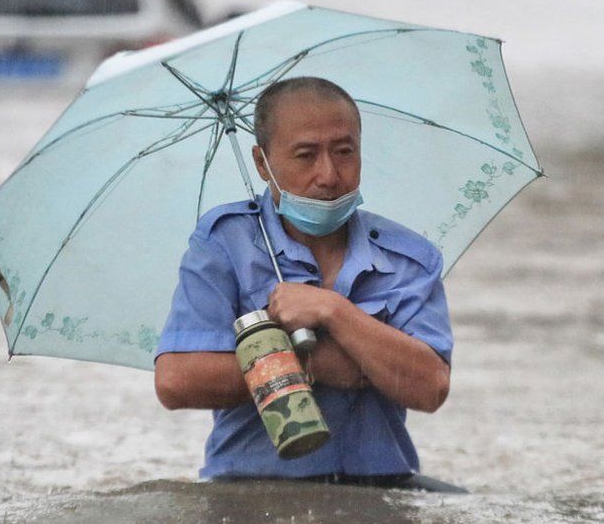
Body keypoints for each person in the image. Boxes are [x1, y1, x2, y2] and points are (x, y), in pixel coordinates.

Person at [153, 77, 453, 485]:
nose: (329, 175)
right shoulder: (225, 244)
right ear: (263, 164)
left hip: (382, 488)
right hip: (252, 490)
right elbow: (177, 381)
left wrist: (333, 311)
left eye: (344, 152)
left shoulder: (409, 259)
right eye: (305, 155)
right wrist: (317, 364)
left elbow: (431, 387)